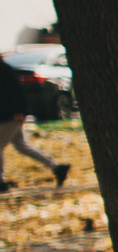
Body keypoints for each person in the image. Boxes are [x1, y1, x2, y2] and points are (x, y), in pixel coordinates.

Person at [0, 56, 68, 192]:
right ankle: (57, 167)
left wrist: (19, 110)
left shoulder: (3, 69)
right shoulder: (4, 68)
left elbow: (16, 90)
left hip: (11, 115)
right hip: (10, 114)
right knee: (22, 146)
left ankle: (1, 182)